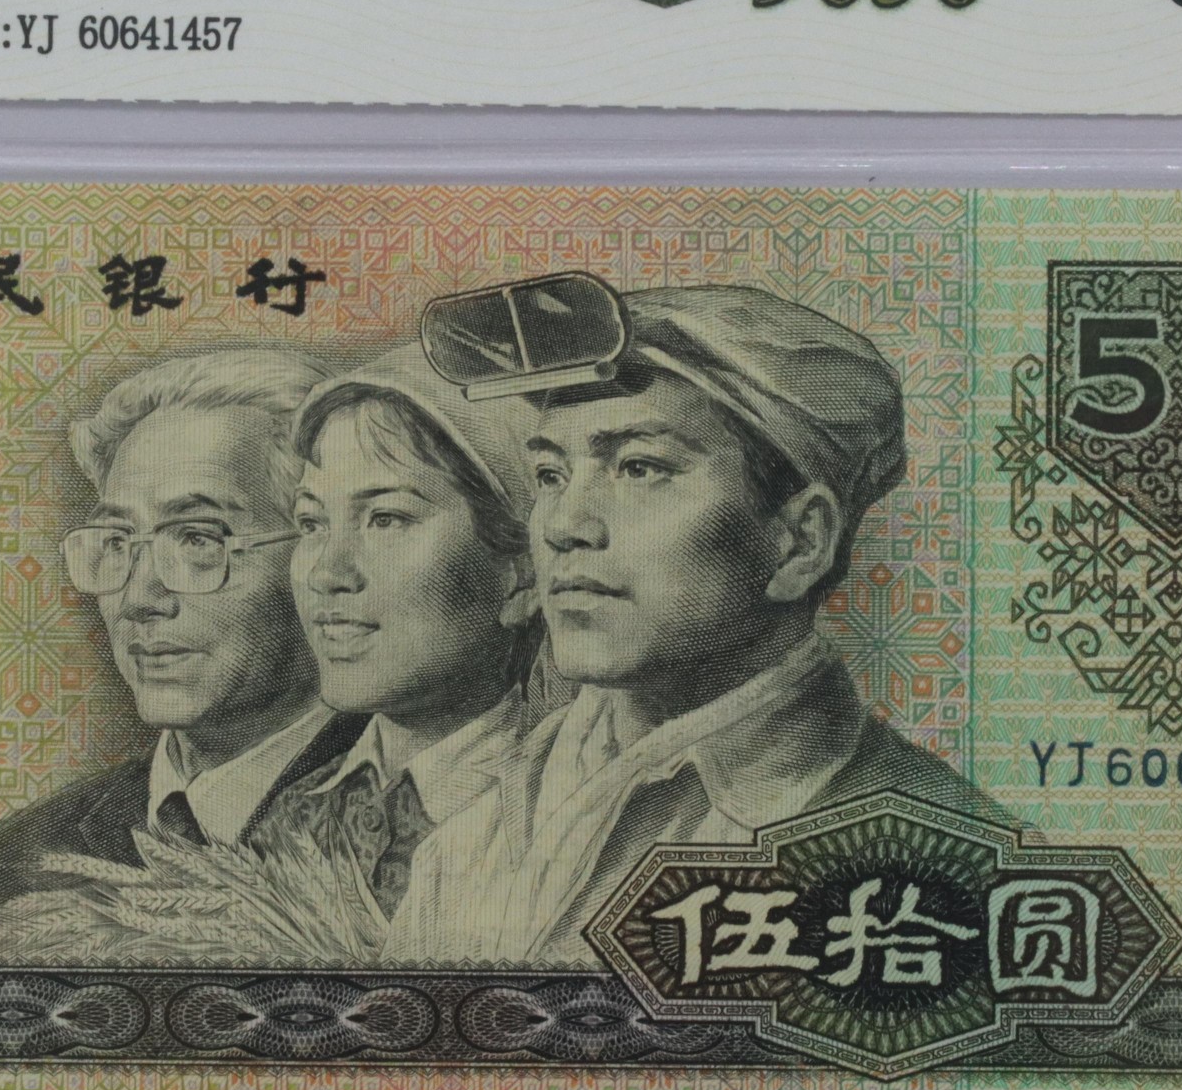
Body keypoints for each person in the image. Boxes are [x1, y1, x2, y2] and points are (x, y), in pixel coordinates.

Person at [405, 283, 1013, 966]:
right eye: (550, 474)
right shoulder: (476, 832)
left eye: (638, 467)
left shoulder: (945, 861)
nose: (564, 525)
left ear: (799, 542)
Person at [0, 348, 359, 932]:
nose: (139, 597)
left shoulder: (420, 829)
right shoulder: (22, 859)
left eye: (197, 539)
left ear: (318, 554)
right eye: (116, 541)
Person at [266, 345, 546, 924]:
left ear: (520, 575)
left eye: (386, 518)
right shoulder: (288, 818)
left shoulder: (563, 816)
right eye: (311, 522)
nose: (326, 574)